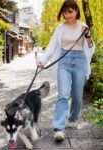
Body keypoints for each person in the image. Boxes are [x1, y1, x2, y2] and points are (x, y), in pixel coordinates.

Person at [37, 0, 95, 141]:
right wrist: (43, 61)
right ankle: (58, 128)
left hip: (80, 61)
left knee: (77, 95)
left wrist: (87, 35)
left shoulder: (83, 26)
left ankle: (73, 118)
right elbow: (52, 46)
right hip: (64, 61)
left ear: (76, 11)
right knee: (63, 94)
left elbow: (91, 46)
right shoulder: (60, 28)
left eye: (70, 12)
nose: (68, 15)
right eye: (65, 12)